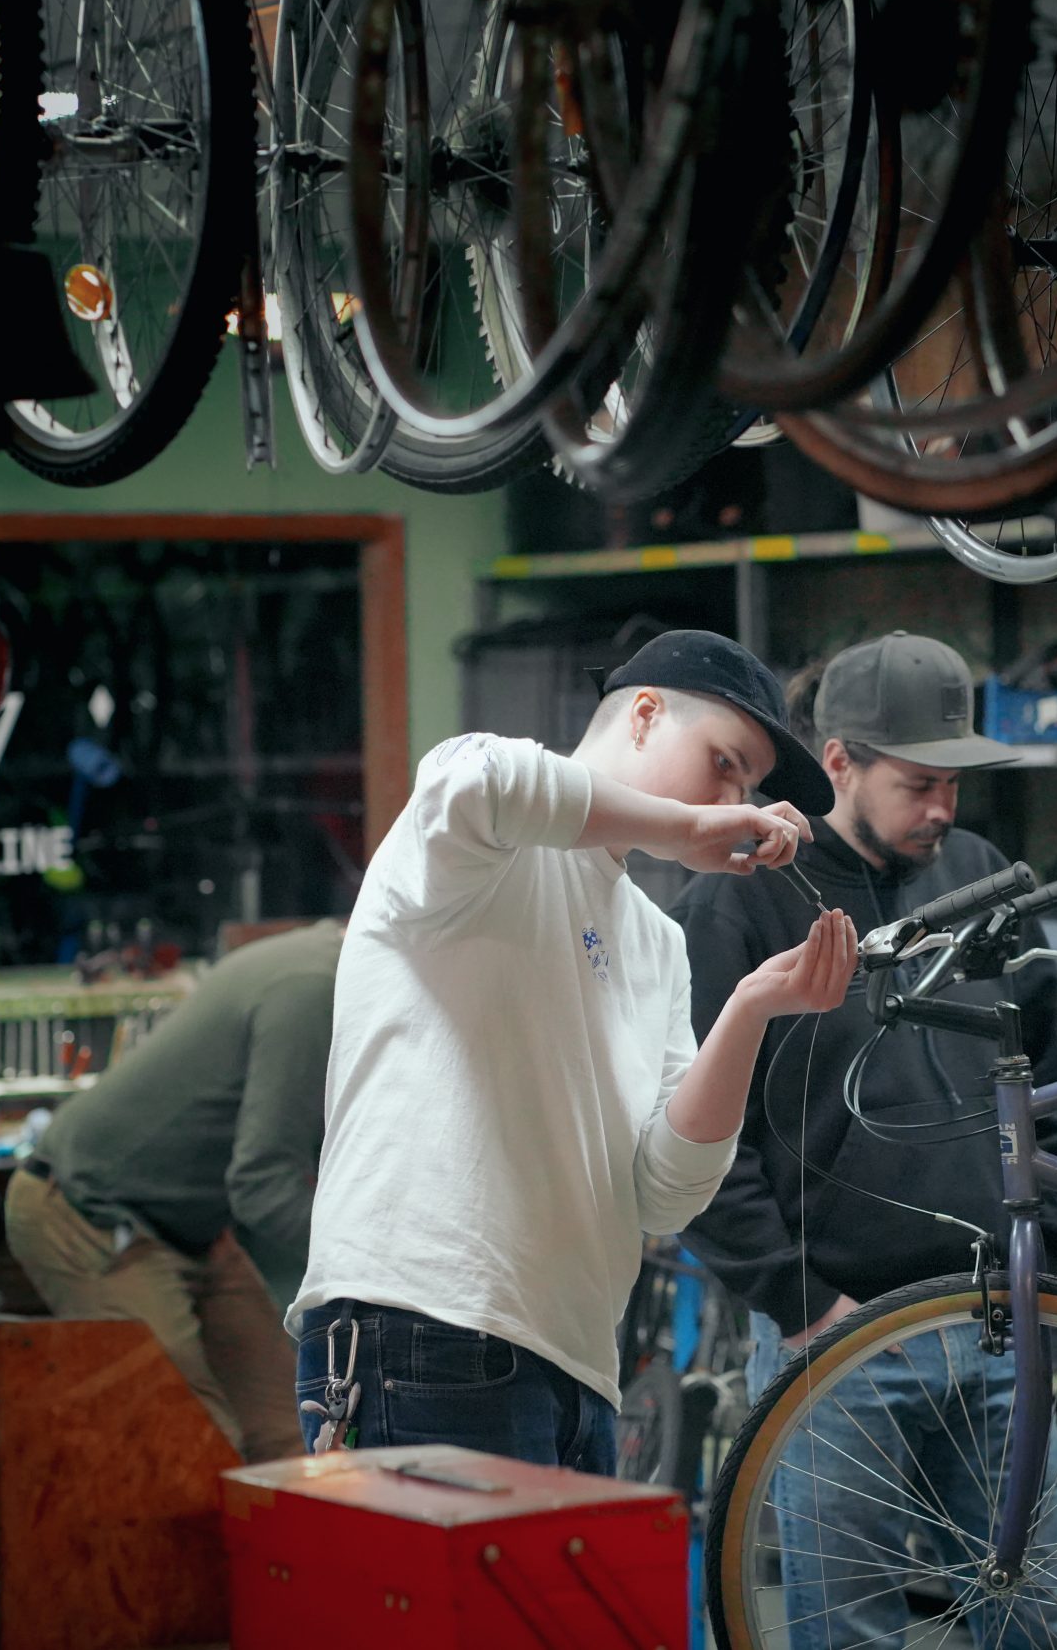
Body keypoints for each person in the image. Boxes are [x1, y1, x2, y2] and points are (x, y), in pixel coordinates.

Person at [288, 629, 856, 1474]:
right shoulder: (484, 838)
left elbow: (664, 1193)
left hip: (579, 1365)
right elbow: (485, 780)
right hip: (426, 1320)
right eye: (725, 763)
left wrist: (750, 1009)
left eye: (747, 786)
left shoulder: (657, 940)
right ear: (644, 714)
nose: (737, 802)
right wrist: (688, 824)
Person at [674, 630, 1057, 1649]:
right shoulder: (738, 900)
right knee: (849, 1632)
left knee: (1042, 1620)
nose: (942, 809)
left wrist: (1050, 1242)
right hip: (839, 1339)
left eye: (953, 783)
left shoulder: (983, 875)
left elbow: (1046, 1069)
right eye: (918, 784)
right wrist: (802, 1304)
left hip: (993, 1321)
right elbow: (693, 1133)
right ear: (838, 763)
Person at [4, 920, 342, 1462]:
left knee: (291, 1445)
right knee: (190, 1449)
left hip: (196, 1229)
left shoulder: (325, 962)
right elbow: (263, 1185)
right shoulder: (311, 988)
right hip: (92, 1215)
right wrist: (378, 1269)